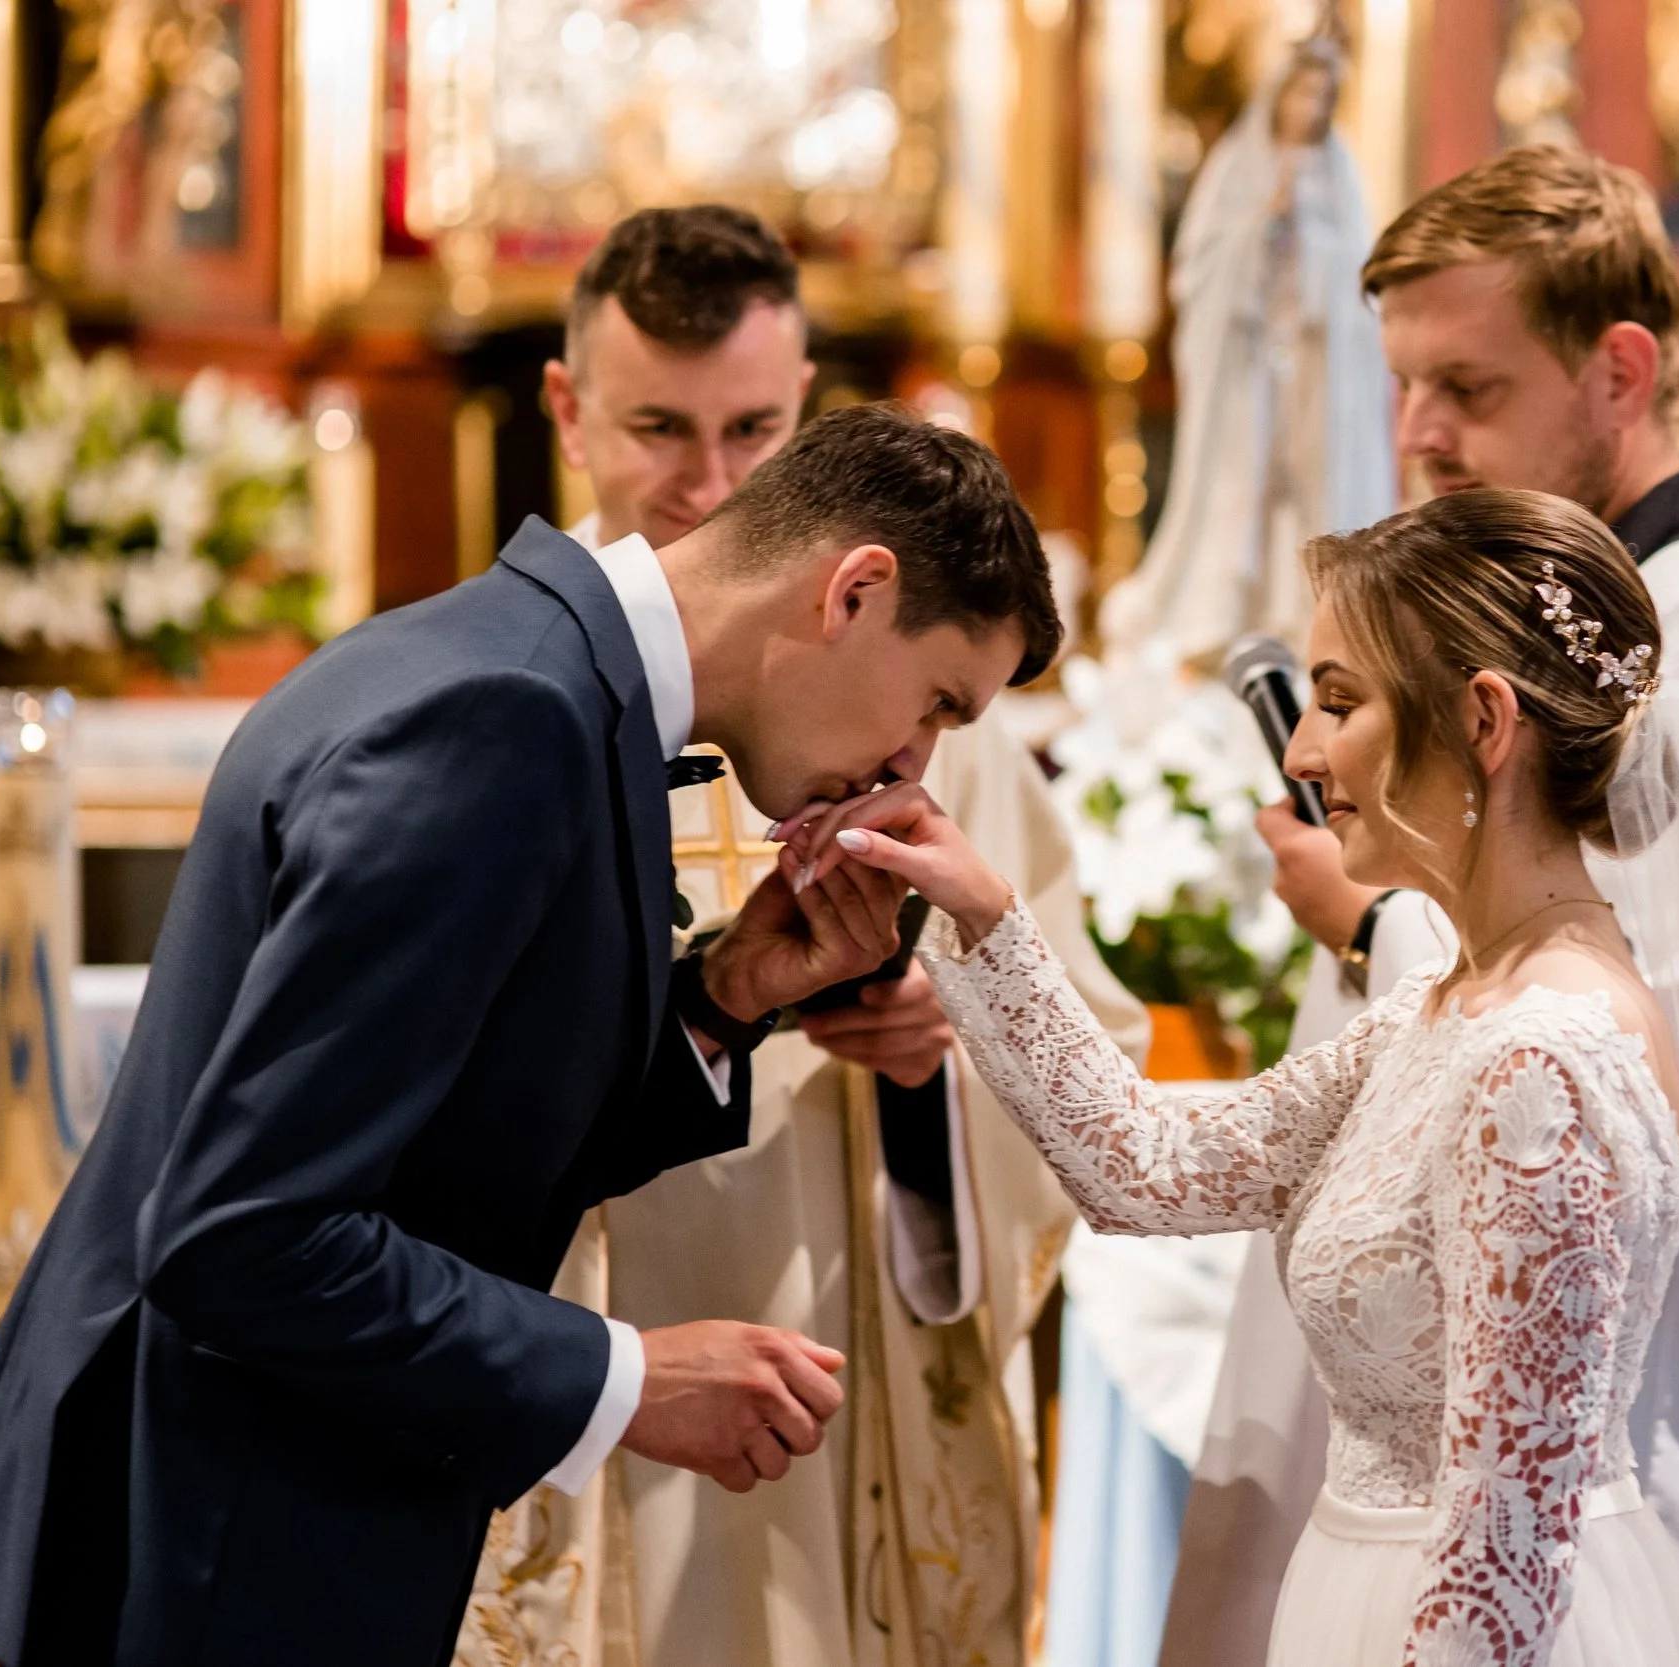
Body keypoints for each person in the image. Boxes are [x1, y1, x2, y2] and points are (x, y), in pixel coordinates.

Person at [791, 489, 1679, 1667]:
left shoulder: (1536, 1065)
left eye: (1339, 700)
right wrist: (978, 915)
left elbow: (1508, 1540)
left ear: (1483, 722)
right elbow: (1147, 1168)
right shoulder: (1453, 1004)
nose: (1306, 751)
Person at [0, 399, 1060, 1667]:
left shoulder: (521, 659)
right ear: (854, 590)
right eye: (935, 702)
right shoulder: (504, 717)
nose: (910, 764)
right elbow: (243, 1234)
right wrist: (626, 1378)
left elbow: (454, 1132)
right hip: (206, 1541)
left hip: (229, 1501)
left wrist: (725, 995)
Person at [1169, 144, 1679, 1667]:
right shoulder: (1529, 621)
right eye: (1407, 385)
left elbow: (1664, 1040)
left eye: (1471, 385)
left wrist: (1364, 921)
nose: (1422, 433)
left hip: (1655, 1445)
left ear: (1619, 370)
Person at [469, 204, 1146, 1667]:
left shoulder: (933, 705)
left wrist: (934, 1069)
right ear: (570, 412)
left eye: (755, 429)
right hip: (589, 1341)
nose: (710, 480)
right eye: (661, 426)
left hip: (838, 1367)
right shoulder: (498, 708)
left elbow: (1096, 1061)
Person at [1096, 28, 1394, 664]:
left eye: (1323, 96)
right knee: (1241, 484)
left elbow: (1361, 283)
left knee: (1309, 487)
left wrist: (1314, 252)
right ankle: (1226, 612)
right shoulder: (1238, 170)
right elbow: (1200, 270)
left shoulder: (1340, 177)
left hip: (1316, 370)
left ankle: (1302, 616)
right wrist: (1261, 230)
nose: (1310, 109)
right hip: (1250, 366)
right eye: (1302, 94)